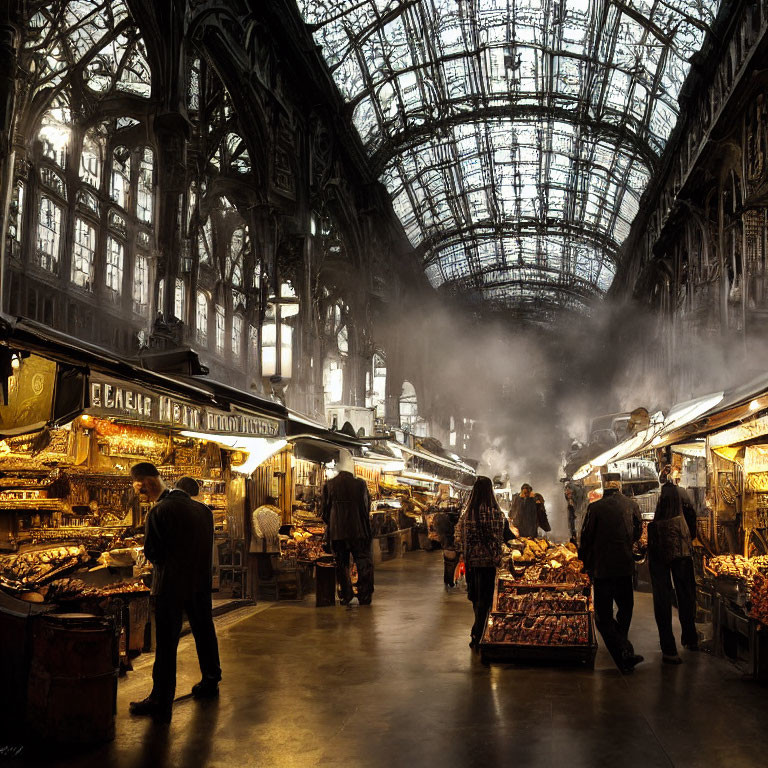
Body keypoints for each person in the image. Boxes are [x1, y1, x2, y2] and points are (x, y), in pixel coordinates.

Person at [128, 462, 221, 723]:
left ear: (145, 482)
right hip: (200, 584)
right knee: (204, 631)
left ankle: (161, 697)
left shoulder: (159, 511)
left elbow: (152, 553)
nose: (140, 492)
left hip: (170, 586)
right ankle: (211, 679)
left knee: (167, 644)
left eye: (139, 487)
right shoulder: (204, 511)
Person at [579, 474, 644, 674]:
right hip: (624, 566)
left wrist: (584, 563)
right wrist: (625, 544)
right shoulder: (631, 505)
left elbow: (586, 537)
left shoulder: (595, 508)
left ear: (604, 487)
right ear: (620, 486)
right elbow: (638, 530)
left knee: (603, 616)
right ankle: (623, 648)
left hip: (602, 569)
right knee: (626, 608)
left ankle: (622, 649)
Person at [648, 466, 699, 664]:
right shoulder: (683, 494)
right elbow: (692, 518)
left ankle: (669, 648)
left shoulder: (660, 496)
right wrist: (688, 537)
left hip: (659, 549)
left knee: (662, 598)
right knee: (686, 594)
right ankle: (690, 638)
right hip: (682, 549)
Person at [455, 476, 507, 649]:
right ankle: (480, 632)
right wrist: (498, 557)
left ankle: (477, 632)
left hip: (471, 563)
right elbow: (497, 539)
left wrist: (463, 553)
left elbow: (458, 537)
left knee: (475, 597)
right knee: (485, 599)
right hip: (487, 564)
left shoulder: (467, 512)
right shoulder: (495, 512)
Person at [321, 449, 373, 605]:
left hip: (337, 532)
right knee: (363, 562)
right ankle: (364, 595)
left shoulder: (329, 485)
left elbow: (324, 512)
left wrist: (332, 522)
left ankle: (346, 594)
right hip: (359, 530)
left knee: (342, 564)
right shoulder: (360, 484)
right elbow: (366, 508)